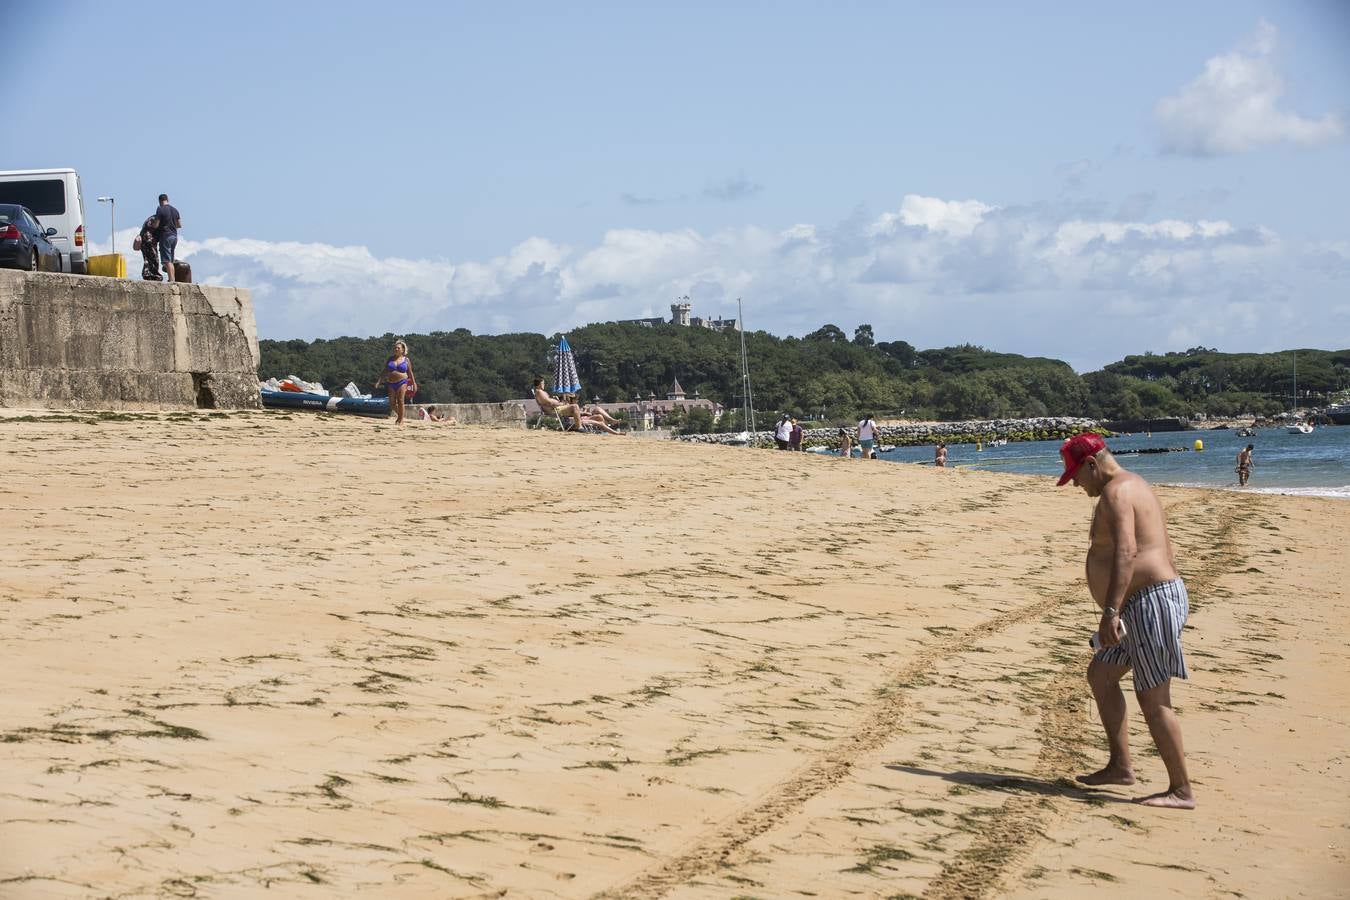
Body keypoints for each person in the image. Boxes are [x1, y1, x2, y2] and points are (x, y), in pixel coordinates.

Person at [1058, 433, 1195, 810]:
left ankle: (1181, 790)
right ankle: (1120, 766)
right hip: (1143, 602)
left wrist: (1111, 611)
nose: (1076, 485)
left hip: (1147, 604)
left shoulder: (1117, 493)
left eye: (1076, 476)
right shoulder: (1132, 484)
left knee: (1153, 696)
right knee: (1101, 676)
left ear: (1092, 464)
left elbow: (1128, 551)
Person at [374, 340, 417, 425]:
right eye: (395, 348)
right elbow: (385, 371)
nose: (396, 349)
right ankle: (401, 416)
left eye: (398, 348)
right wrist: (379, 382)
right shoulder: (390, 359)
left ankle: (400, 420)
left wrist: (414, 383)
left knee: (400, 400)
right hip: (391, 383)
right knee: (392, 403)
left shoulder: (406, 360)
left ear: (403, 350)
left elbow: (410, 373)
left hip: (402, 382)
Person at [153, 193, 182, 282]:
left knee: (167, 260)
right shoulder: (175, 210)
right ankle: (172, 279)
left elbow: (156, 225)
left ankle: (171, 280)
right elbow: (179, 225)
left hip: (165, 236)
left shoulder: (160, 210)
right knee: (170, 260)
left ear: (159, 201)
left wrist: (154, 224)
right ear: (167, 200)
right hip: (174, 236)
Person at [135, 214, 161, 281]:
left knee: (148, 258)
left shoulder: (152, 218)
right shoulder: (158, 218)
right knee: (154, 258)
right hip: (149, 239)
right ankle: (152, 275)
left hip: (145, 239)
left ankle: (148, 274)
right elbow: (155, 227)